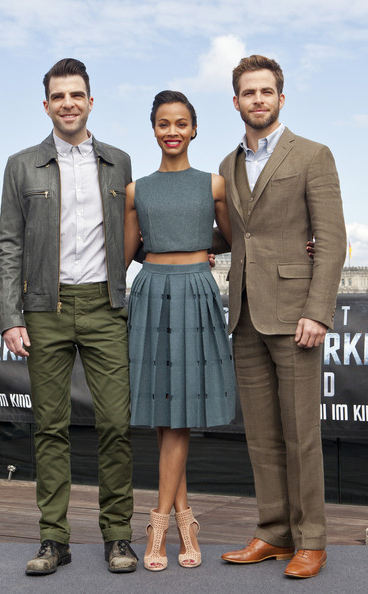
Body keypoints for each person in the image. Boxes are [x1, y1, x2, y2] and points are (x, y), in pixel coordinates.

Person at [0, 58, 138, 575]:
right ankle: (54, 539)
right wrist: (11, 316)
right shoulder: (21, 164)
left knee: (116, 425)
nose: (68, 104)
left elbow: (140, 232)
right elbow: (9, 243)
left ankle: (119, 536)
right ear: (47, 105)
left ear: (91, 101)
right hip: (43, 311)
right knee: (49, 428)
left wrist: (202, 246)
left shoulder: (120, 162)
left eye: (77, 95)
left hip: (105, 305)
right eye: (59, 97)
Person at [213, 55, 346, 579]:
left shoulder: (314, 154)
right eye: (249, 93)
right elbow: (235, 235)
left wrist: (318, 311)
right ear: (237, 102)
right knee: (262, 435)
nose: (259, 100)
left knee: (300, 433)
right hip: (244, 313)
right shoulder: (227, 164)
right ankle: (273, 532)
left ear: (281, 98)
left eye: (267, 92)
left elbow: (332, 240)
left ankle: (311, 539)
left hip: (296, 317)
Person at [124, 90, 236, 571]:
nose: (172, 131)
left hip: (196, 290)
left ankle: (158, 523)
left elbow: (230, 238)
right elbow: (127, 251)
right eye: (163, 123)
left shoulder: (215, 185)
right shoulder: (136, 190)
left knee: (181, 411)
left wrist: (195, 248)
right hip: (151, 292)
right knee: (165, 410)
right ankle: (185, 520)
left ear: (194, 129)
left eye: (181, 123)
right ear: (153, 129)